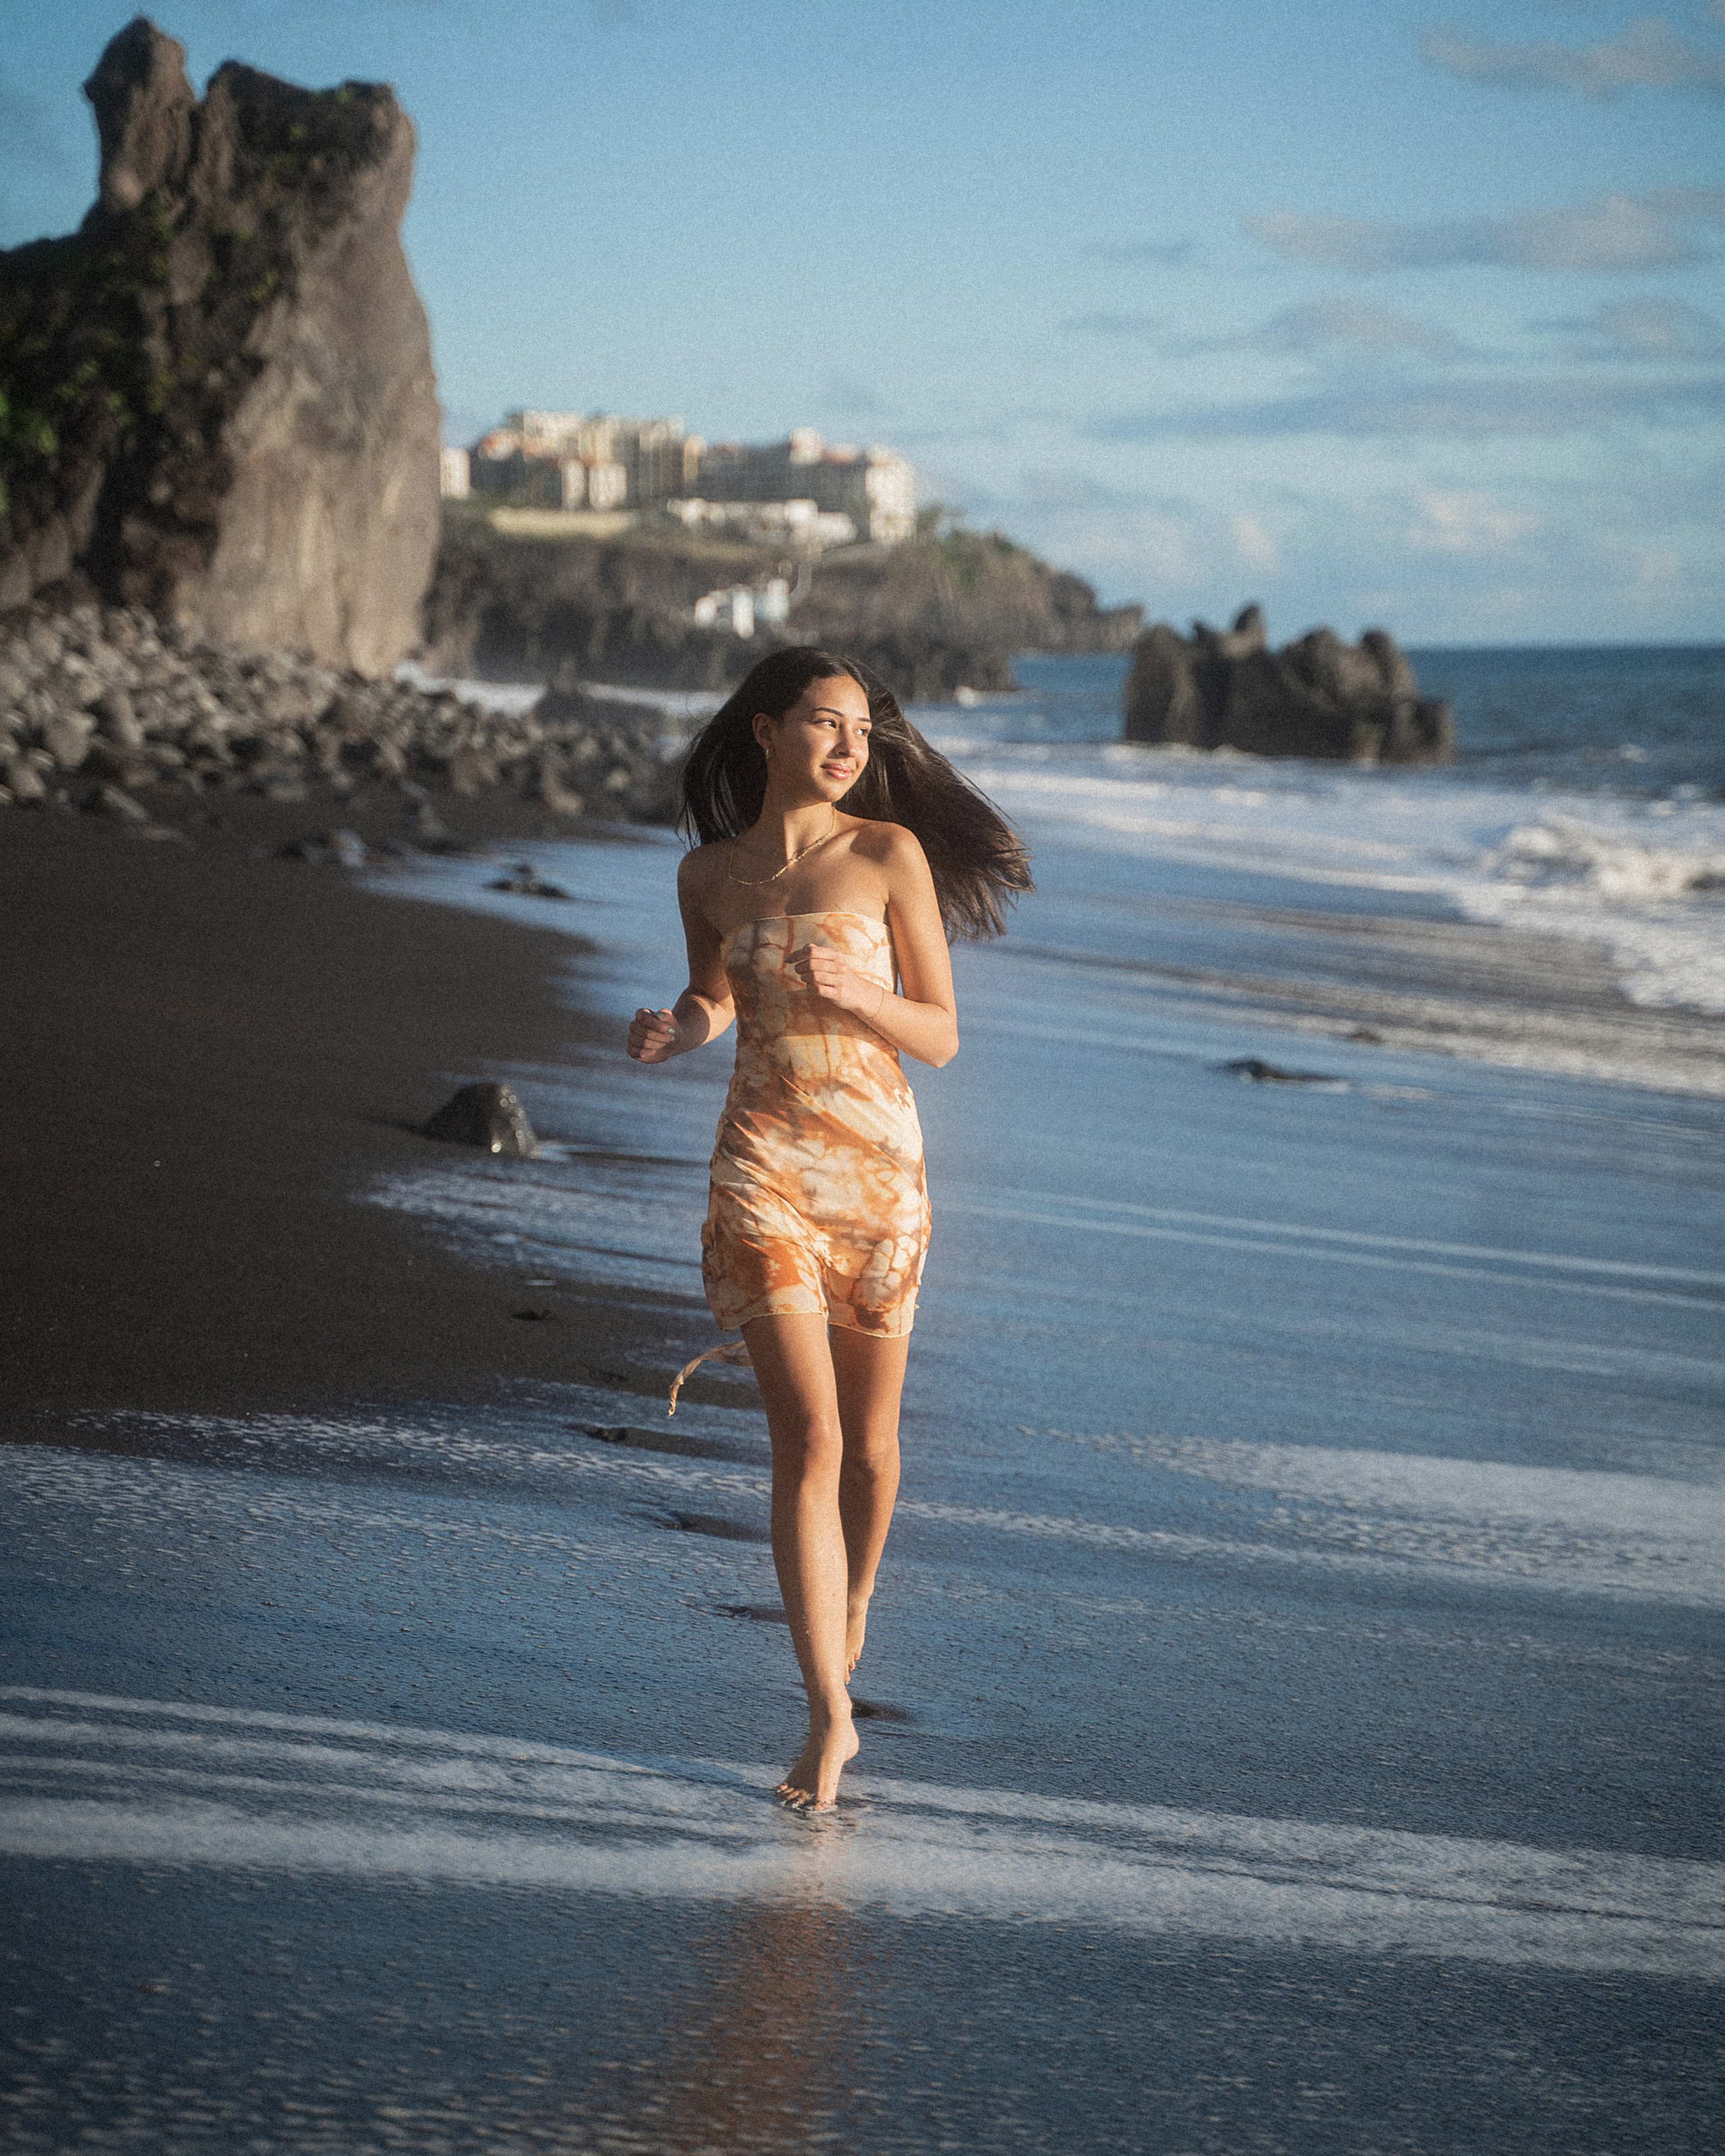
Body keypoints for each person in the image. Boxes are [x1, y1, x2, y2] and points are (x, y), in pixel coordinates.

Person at [627, 646, 1031, 1810]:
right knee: (804, 1439)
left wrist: (866, 999)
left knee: (869, 1445)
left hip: (876, 1175)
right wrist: (678, 1027)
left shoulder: (888, 855)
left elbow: (942, 1034)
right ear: (765, 732)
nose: (850, 747)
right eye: (824, 723)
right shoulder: (710, 875)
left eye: (860, 730)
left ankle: (855, 1601)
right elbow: (715, 994)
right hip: (762, 1165)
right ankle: (828, 1716)